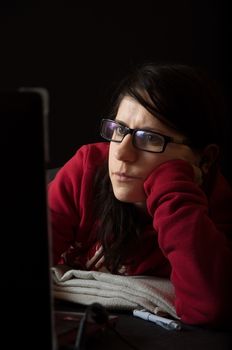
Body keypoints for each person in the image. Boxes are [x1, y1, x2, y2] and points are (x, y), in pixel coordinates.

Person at [48, 62, 232, 327]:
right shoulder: (87, 169)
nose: (121, 153)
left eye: (150, 138)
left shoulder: (217, 207)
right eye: (119, 130)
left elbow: (210, 308)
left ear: (205, 159)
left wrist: (173, 189)